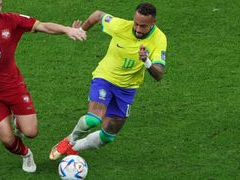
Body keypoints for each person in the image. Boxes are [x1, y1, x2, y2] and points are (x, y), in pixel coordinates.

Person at [0, 0, 86, 173]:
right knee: (8, 140)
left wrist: (67, 29)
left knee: (31, 132)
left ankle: (18, 120)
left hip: (14, 86)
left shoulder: (11, 20)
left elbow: (43, 26)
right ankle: (26, 154)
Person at [49, 2, 167, 160]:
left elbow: (159, 74)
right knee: (93, 119)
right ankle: (69, 140)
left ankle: (74, 147)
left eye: (143, 26)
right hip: (105, 77)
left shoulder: (159, 39)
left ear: (153, 23)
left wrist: (146, 61)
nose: (138, 29)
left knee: (108, 135)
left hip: (127, 89)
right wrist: (81, 30)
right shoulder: (121, 26)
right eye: (136, 23)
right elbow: (97, 15)